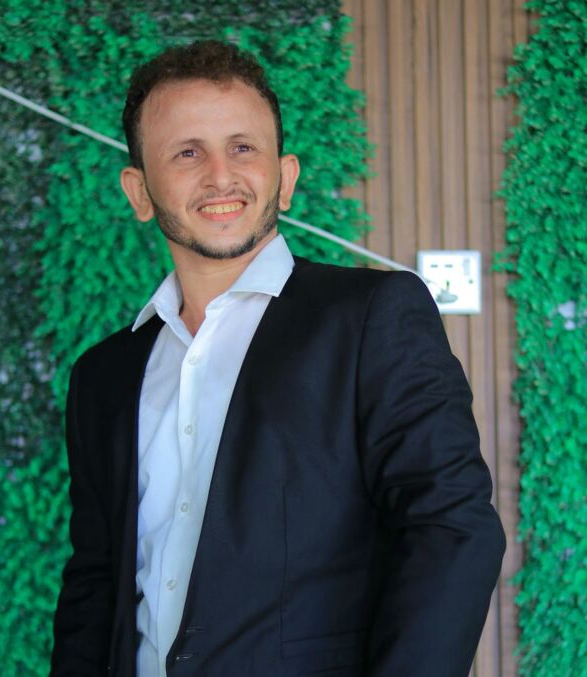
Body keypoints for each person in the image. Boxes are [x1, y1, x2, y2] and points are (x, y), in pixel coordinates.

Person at [51, 40, 505, 677]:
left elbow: (452, 527)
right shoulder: (103, 376)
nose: (220, 175)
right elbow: (95, 582)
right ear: (139, 191)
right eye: (187, 152)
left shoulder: (371, 317)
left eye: (243, 147)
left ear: (285, 177)